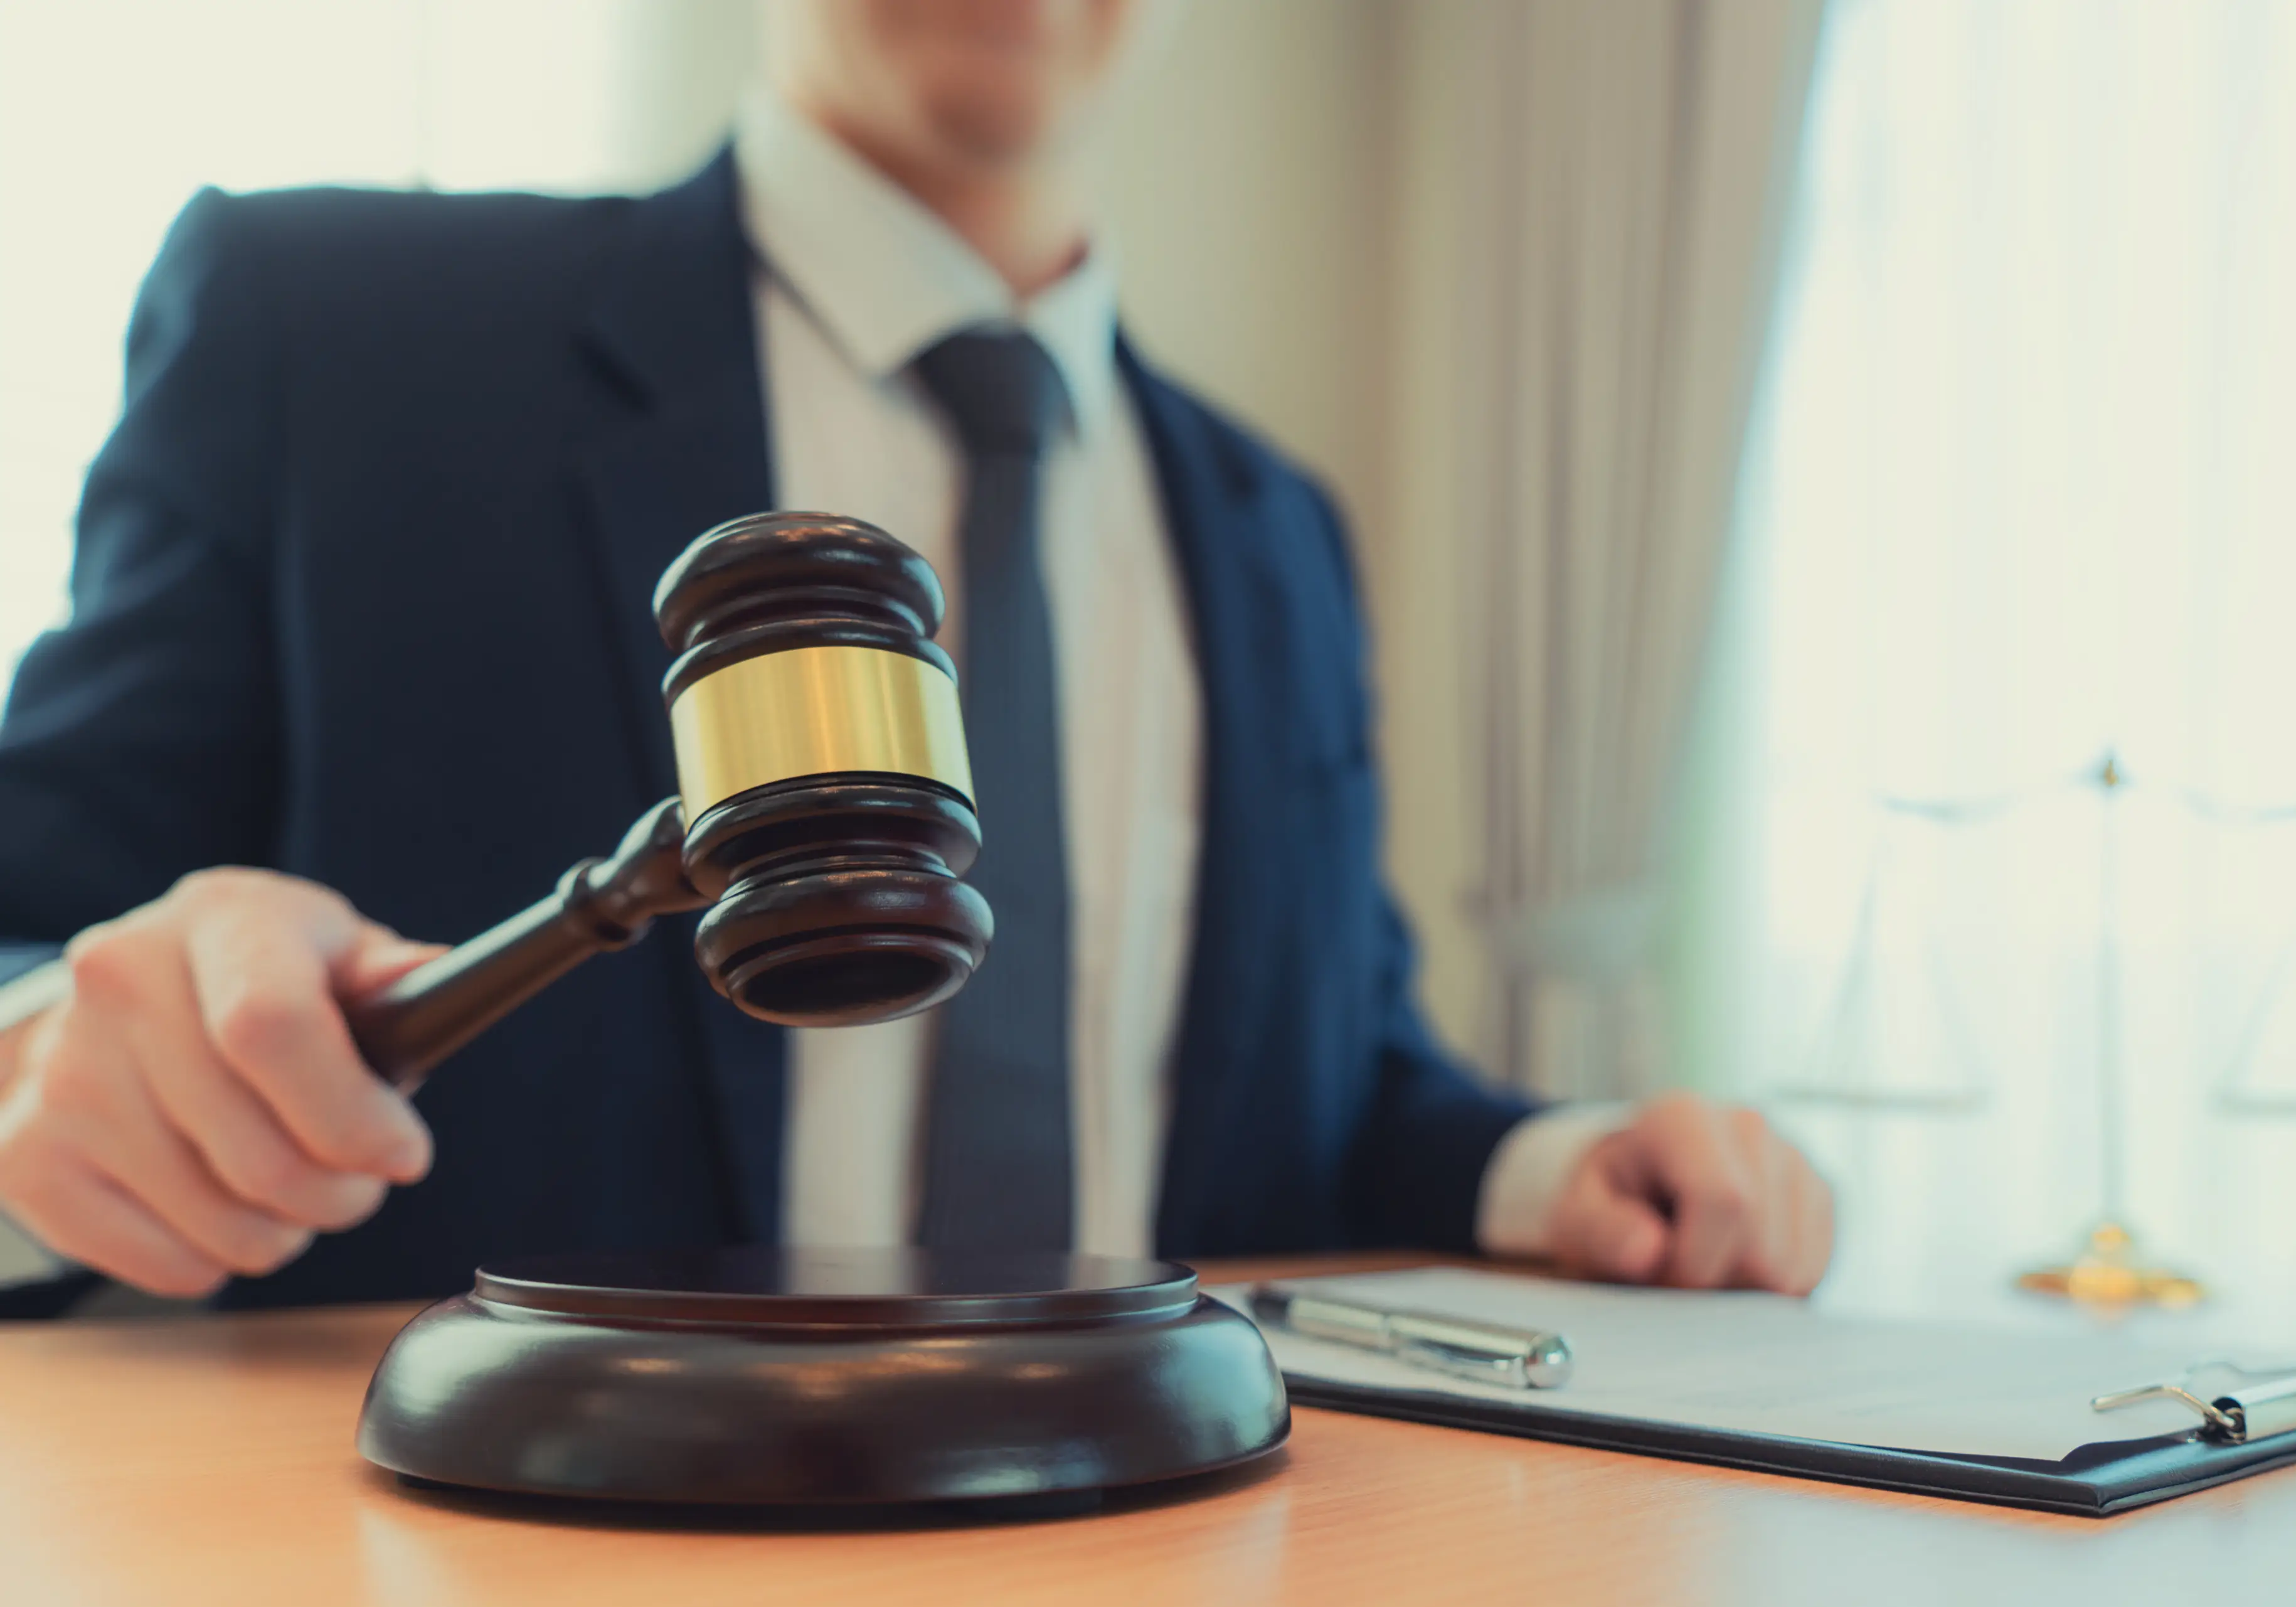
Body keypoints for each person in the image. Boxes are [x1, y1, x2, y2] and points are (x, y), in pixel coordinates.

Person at [0, 0, 1832, 1311]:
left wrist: (1555, 1171)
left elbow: (1334, 1087)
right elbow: (37, 943)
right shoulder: (329, 339)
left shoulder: (1279, 531)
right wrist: (49, 1074)